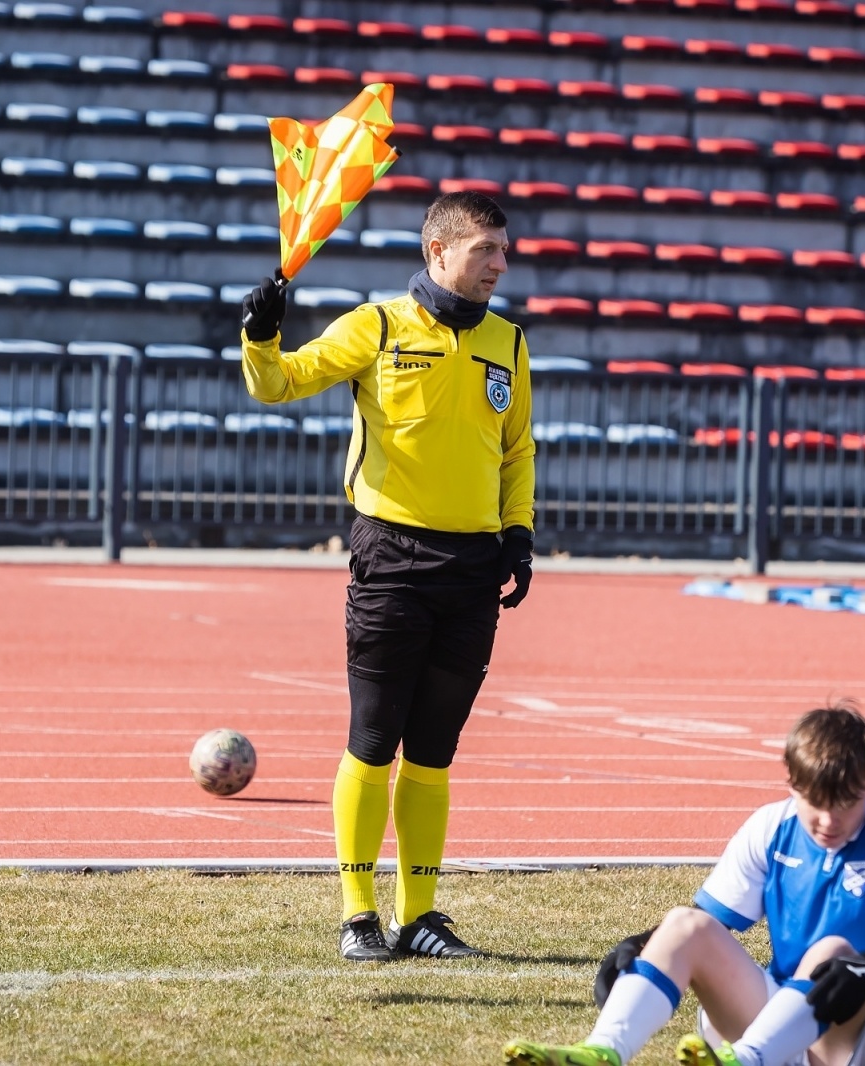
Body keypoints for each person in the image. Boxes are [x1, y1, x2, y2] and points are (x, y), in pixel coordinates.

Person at [239, 191, 536, 962]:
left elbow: (517, 450)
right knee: (374, 740)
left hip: (472, 571)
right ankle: (358, 914)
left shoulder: (509, 341)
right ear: (439, 253)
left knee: (435, 750)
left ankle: (422, 916)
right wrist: (261, 338)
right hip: (392, 561)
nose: (501, 266)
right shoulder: (374, 327)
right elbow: (276, 384)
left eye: (504, 251)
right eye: (486, 252)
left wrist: (519, 532)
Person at [503, 702, 865, 1066]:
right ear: (791, 784)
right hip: (787, 1028)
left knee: (831, 952)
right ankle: (604, 1051)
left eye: (846, 802)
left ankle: (746, 1060)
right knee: (682, 925)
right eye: (814, 801)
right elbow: (705, 924)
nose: (827, 820)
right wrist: (640, 944)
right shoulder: (770, 825)